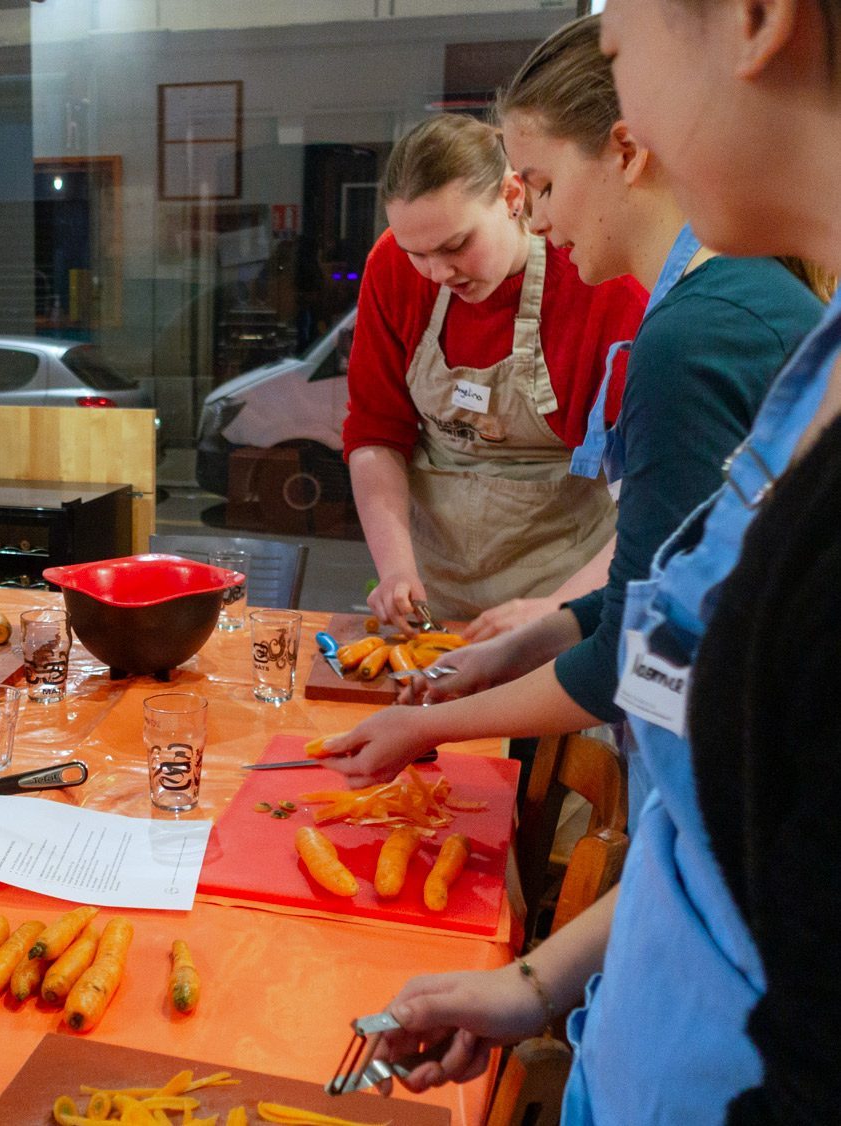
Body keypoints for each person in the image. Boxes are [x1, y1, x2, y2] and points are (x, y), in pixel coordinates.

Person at [361, 1, 841, 1119]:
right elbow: (711, 829)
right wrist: (537, 982)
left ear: (756, 23)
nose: (527, 210)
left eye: (619, 52)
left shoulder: (706, 325)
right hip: (637, 1032)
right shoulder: (804, 351)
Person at [320, 15, 827, 821]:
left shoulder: (690, 335)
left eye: (543, 186)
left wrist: (432, 724)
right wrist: (520, 646)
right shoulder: (734, 302)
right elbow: (670, 590)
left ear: (630, 150)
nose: (542, 221)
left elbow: (628, 655)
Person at [343, 113, 646, 632]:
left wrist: (562, 612)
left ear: (511, 197)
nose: (438, 273)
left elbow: (649, 489)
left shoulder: (595, 279)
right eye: (418, 253)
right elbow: (375, 431)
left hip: (569, 592)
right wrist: (395, 569)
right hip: (434, 596)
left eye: (456, 246)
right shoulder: (391, 267)